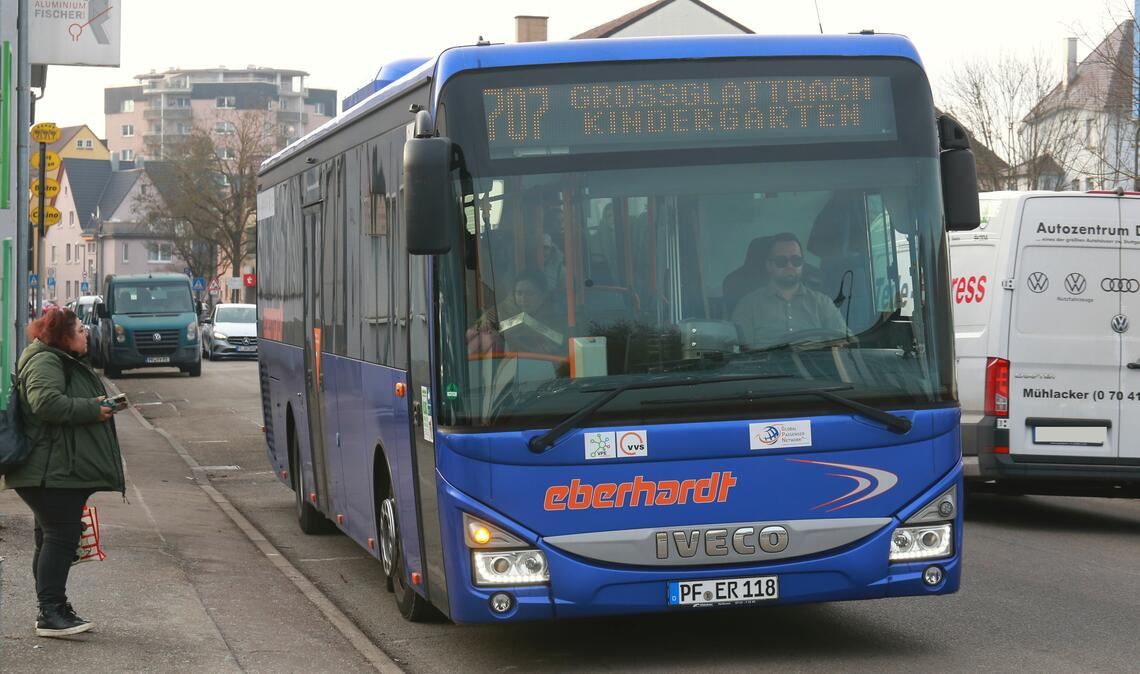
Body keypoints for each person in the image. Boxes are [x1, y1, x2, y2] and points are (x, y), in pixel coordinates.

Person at [3, 308, 126, 638]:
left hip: (54, 467)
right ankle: (51, 612)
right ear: (64, 336)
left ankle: (53, 607)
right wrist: (92, 408)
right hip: (48, 469)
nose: (86, 334)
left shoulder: (55, 357)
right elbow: (45, 403)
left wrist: (96, 403)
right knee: (60, 536)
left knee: (51, 537)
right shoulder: (46, 361)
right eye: (80, 330)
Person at [731, 232, 846, 349]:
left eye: (796, 260)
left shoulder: (822, 303)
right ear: (769, 265)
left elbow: (845, 342)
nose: (790, 265)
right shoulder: (748, 306)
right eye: (781, 261)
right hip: (768, 366)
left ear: (802, 264)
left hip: (814, 366)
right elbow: (739, 352)